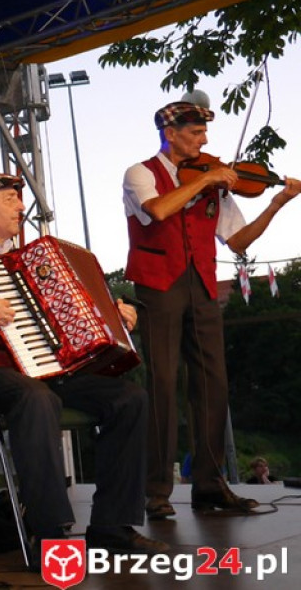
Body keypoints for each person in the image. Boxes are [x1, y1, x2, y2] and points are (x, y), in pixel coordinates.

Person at [0, 172, 168, 561]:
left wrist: (113, 314)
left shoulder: (32, 259)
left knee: (128, 398)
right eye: (10, 199)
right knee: (36, 398)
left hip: (41, 370)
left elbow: (69, 316)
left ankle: (112, 526)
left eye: (19, 198)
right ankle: (50, 534)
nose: (20, 206)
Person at [123, 99, 300, 520]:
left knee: (212, 382)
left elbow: (238, 241)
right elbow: (158, 210)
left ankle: (209, 484)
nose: (204, 140)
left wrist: (276, 203)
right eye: (196, 133)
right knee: (163, 383)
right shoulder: (140, 173)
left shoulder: (212, 179)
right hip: (158, 283)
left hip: (201, 282)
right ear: (170, 134)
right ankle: (156, 491)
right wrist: (206, 180)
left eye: (204, 132)